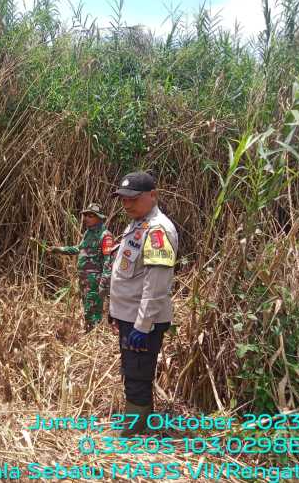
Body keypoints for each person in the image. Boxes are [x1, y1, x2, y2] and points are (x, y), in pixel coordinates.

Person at [108, 172, 178, 436]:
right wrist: (115, 313)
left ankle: (135, 432)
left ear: (153, 195)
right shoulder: (138, 224)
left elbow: (156, 284)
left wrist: (142, 325)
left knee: (138, 373)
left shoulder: (158, 230)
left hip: (143, 320)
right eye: (123, 199)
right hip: (129, 316)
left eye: (133, 199)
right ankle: (137, 422)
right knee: (132, 369)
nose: (127, 205)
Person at [49, 203, 114, 330]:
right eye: (85, 215)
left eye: (91, 215)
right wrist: (59, 249)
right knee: (87, 307)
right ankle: (89, 332)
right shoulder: (88, 234)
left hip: (94, 279)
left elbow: (108, 261)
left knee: (94, 309)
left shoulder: (105, 235)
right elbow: (79, 248)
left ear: (99, 218)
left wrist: (104, 283)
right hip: (84, 279)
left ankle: (94, 334)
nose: (86, 218)